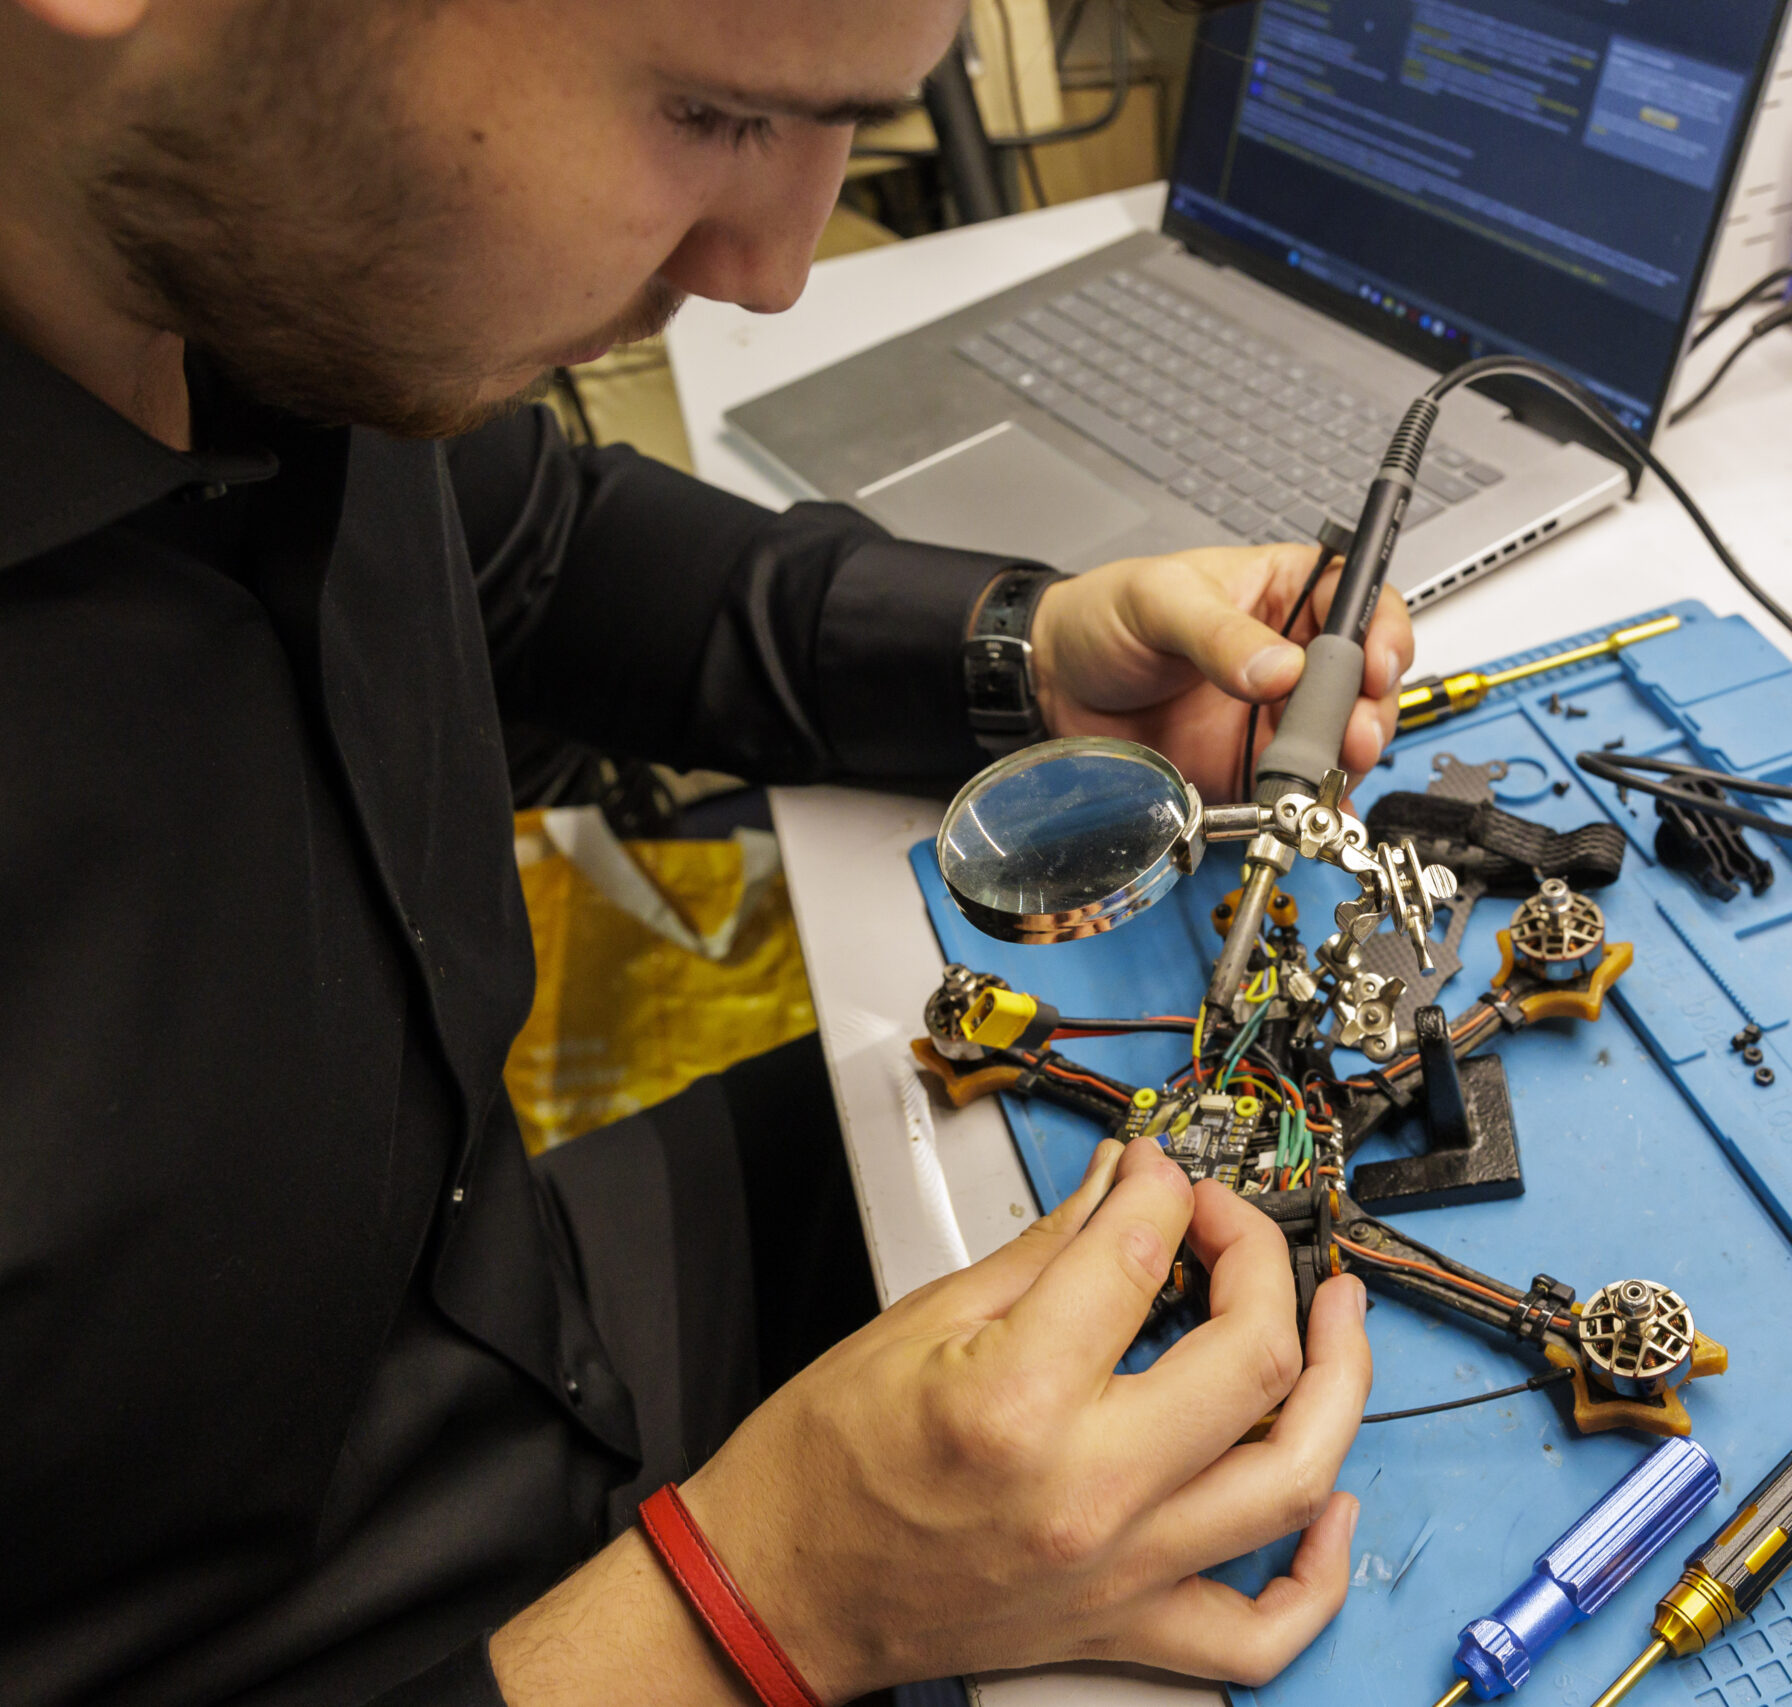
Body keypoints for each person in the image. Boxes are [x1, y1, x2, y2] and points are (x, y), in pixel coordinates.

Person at [0, 0, 1415, 1703]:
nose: (773, 274)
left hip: (510, 1308)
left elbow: (528, 548)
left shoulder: (267, 281)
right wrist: (763, 1606)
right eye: (718, 116)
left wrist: (1035, 656)